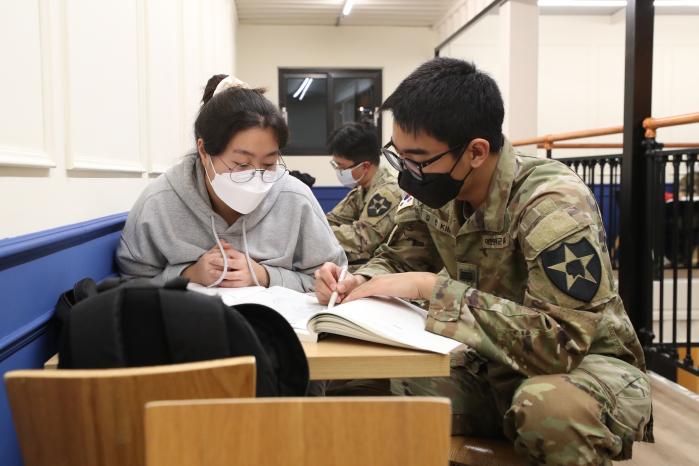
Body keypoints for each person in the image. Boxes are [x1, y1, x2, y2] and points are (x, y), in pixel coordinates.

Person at [314, 58, 652, 465]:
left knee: (551, 412)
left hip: (582, 367)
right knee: (359, 381)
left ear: (475, 152)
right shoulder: (439, 189)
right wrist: (358, 281)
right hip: (489, 362)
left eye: (418, 160)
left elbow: (560, 342)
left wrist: (430, 289)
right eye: (398, 157)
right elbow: (398, 257)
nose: (407, 172)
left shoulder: (551, 204)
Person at [116, 74, 346, 292]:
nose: (256, 177)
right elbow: (131, 281)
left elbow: (334, 277)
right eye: (241, 164)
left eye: (268, 164)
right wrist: (188, 274)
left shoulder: (295, 198)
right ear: (204, 151)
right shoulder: (160, 201)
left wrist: (265, 276)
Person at [326, 122, 403, 271]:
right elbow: (331, 220)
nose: (339, 172)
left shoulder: (388, 193)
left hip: (385, 270)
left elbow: (360, 240)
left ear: (365, 166)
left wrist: (315, 235)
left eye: (342, 167)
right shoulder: (361, 189)